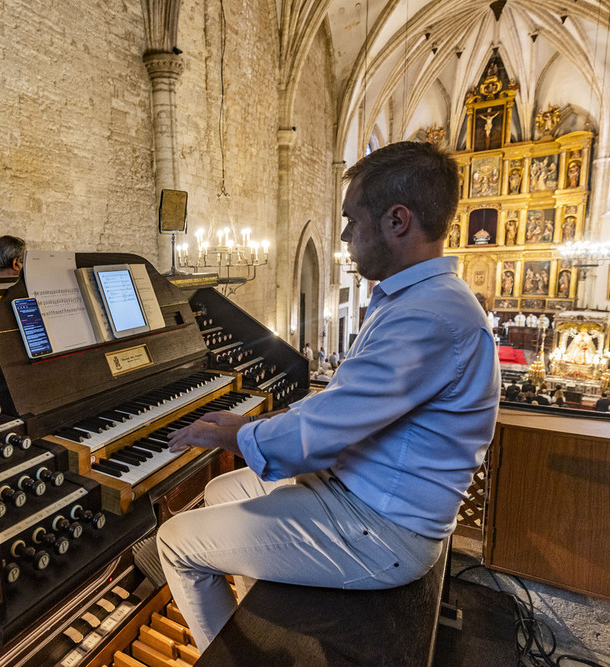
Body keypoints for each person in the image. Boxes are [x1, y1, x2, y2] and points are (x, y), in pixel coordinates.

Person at [156, 141, 500, 651]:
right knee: (221, 491)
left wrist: (234, 431)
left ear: (397, 221)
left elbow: (321, 430)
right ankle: (265, 624)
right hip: (362, 490)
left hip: (386, 527)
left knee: (176, 541)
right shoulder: (419, 299)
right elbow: (340, 402)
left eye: (351, 220)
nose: (344, 236)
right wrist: (249, 429)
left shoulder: (430, 316)